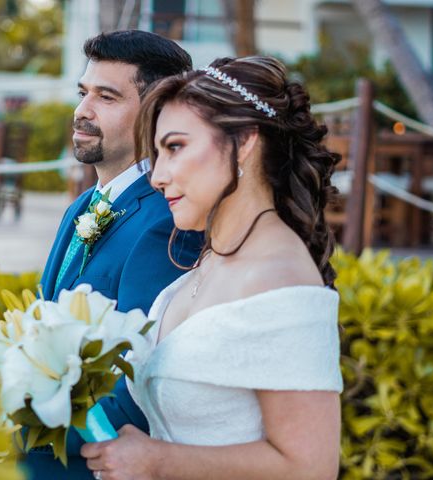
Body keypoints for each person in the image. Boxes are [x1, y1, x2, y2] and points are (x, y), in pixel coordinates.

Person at [81, 56, 343, 480]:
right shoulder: (209, 257)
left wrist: (158, 462)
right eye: (157, 153)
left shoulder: (279, 277)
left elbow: (312, 468)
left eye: (176, 148)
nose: (158, 176)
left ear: (244, 142)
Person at [22, 31, 202, 479]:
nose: (82, 111)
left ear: (155, 115)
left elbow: (135, 385)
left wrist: (18, 435)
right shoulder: (81, 208)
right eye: (83, 93)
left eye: (107, 96)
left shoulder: (166, 222)